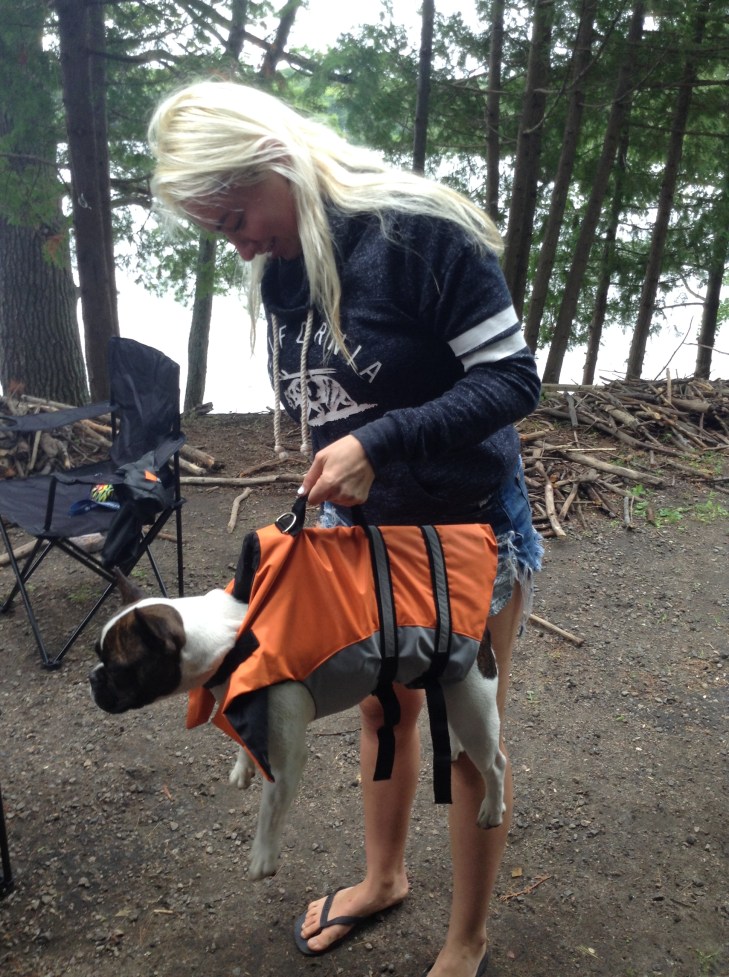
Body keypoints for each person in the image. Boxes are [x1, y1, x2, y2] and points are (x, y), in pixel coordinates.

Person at [148, 79, 543, 977]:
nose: (240, 243)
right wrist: (339, 465)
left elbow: (514, 381)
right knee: (380, 704)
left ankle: (466, 938)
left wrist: (381, 438)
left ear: (279, 164)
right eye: (222, 232)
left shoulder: (415, 233)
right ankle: (384, 877)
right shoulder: (281, 265)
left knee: (464, 724)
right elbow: (336, 398)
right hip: (357, 534)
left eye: (241, 216)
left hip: (465, 536)